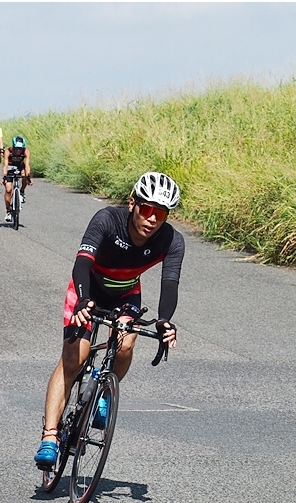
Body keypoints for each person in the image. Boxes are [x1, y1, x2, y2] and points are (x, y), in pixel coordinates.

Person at [33, 172, 185, 471]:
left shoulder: (172, 240)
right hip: (88, 289)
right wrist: (82, 299)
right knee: (73, 359)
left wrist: (165, 321)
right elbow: (82, 263)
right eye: (147, 209)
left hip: (126, 293)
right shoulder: (107, 220)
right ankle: (50, 436)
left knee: (126, 344)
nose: (152, 219)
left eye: (161, 213)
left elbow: (170, 283)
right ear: (132, 204)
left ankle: (103, 392)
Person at [1, 136, 32, 222]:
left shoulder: (26, 151)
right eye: (16, 148)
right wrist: (4, 176)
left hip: (20, 167)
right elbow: (5, 165)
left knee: (25, 175)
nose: (18, 151)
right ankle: (8, 211)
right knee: (8, 190)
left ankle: (21, 191)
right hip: (10, 168)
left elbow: (27, 165)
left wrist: (28, 176)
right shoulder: (8, 152)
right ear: (13, 147)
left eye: (20, 149)